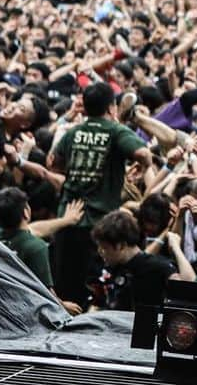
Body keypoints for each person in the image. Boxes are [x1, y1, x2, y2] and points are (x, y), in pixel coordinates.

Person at [48, 82, 152, 307]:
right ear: (112, 106)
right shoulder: (115, 130)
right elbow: (144, 154)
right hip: (99, 225)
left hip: (67, 219)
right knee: (94, 291)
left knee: (65, 291)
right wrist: (142, 168)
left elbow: (53, 163)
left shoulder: (73, 132)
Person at [0, 186, 85, 314]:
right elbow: (46, 293)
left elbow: (33, 229)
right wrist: (63, 306)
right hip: (24, 310)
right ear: (26, 212)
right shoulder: (36, 248)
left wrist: (66, 220)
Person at [90, 209, 177, 311]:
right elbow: (97, 305)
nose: (100, 251)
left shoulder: (160, 267)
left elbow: (186, 290)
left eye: (104, 248)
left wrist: (176, 248)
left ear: (121, 245)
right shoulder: (110, 268)